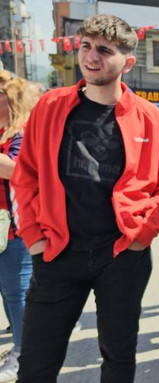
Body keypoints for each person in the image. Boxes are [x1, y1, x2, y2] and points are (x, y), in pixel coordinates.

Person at [11, 14, 159, 382]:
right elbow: (26, 175)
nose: (91, 56)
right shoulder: (51, 105)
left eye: (105, 50)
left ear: (127, 62)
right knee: (36, 363)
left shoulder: (151, 118)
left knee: (118, 359)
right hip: (57, 251)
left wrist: (142, 237)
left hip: (121, 256)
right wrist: (34, 238)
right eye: (86, 46)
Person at [0, 71, 38, 382]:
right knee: (9, 291)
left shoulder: (22, 133)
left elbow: (18, 171)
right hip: (3, 227)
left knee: (17, 292)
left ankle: (24, 353)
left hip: (15, 227)